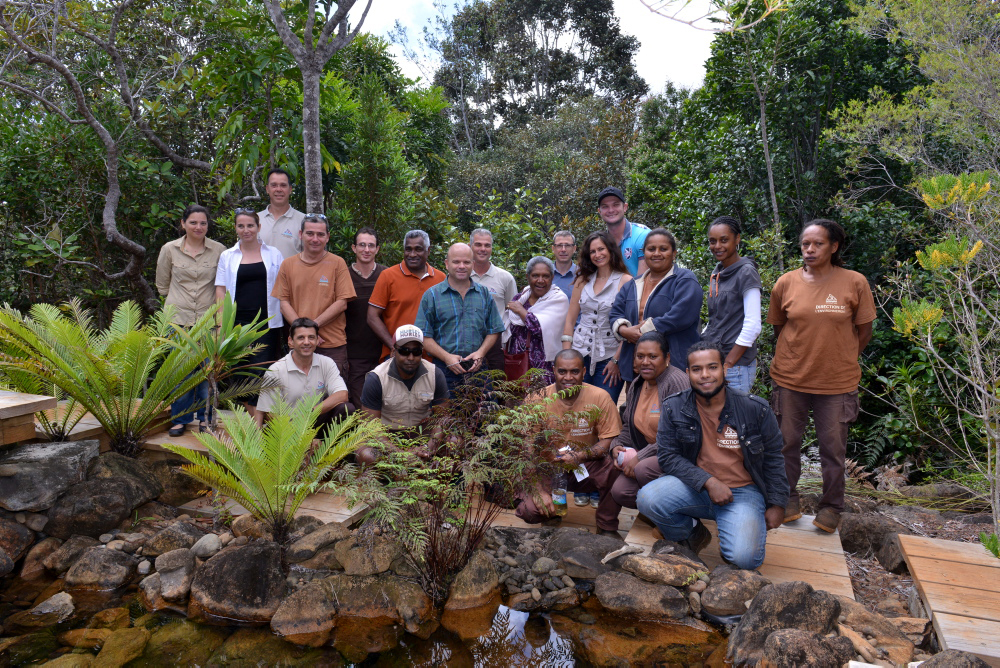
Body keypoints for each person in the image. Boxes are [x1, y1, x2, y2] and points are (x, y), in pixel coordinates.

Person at [636, 342, 788, 570]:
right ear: (688, 374)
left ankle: (738, 524)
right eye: (697, 369)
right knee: (648, 498)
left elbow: (774, 458)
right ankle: (692, 534)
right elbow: (668, 456)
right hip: (695, 487)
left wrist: (778, 504)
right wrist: (708, 481)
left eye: (712, 367)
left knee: (745, 559)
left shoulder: (755, 409)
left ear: (724, 369)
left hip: (743, 492)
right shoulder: (674, 407)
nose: (705, 375)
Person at [767, 219, 876, 533]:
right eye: (805, 244)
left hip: (836, 383)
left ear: (834, 246)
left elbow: (864, 330)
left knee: (832, 448)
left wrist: (840, 357)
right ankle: (786, 498)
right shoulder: (786, 283)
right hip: (790, 379)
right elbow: (780, 328)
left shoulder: (854, 282)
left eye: (817, 244)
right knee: (786, 444)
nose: (810, 249)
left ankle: (831, 508)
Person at [513, 349, 624, 537]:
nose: (568, 377)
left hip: (583, 464)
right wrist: (539, 490)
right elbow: (526, 449)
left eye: (575, 371)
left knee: (616, 466)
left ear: (584, 371)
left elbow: (608, 440)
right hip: (546, 467)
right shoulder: (536, 399)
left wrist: (580, 456)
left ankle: (607, 525)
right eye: (562, 371)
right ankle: (550, 514)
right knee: (529, 510)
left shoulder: (600, 397)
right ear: (554, 370)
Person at [156, 204, 226, 437]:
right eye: (193, 222)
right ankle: (179, 419)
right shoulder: (169, 249)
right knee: (180, 374)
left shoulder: (219, 251)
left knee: (208, 373)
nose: (198, 227)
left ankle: (205, 418)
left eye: (203, 223)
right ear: (183, 223)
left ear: (208, 225)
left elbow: (222, 287)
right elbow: (162, 285)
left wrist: (218, 323)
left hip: (207, 322)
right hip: (178, 321)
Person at [608, 332, 689, 512]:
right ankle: (654, 511)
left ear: (666, 357)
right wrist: (617, 445)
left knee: (643, 468)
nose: (645, 362)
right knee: (621, 491)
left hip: (680, 454)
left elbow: (679, 434)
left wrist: (640, 456)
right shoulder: (638, 384)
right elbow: (629, 425)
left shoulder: (676, 382)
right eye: (640, 356)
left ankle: (682, 520)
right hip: (652, 453)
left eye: (653, 356)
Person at [214, 209, 285, 410]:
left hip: (267, 324)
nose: (246, 230)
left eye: (250, 225)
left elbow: (283, 287)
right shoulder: (227, 256)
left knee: (262, 372)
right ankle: (250, 422)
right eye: (241, 226)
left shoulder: (274, 254)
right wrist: (221, 325)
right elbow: (220, 290)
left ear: (258, 227)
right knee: (240, 373)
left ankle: (258, 422)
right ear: (235, 228)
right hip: (236, 324)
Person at [271, 213, 356, 382]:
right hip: (298, 345)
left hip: (331, 344)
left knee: (335, 398)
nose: (315, 239)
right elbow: (284, 303)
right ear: (301, 235)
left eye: (320, 234)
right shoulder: (288, 265)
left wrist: (312, 329)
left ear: (327, 237)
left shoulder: (337, 263)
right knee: (297, 396)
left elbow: (342, 303)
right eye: (310, 233)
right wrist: (305, 334)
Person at [611, 228, 702, 377]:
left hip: (673, 366)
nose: (657, 253)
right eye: (651, 249)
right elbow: (615, 313)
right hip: (636, 367)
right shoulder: (632, 285)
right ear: (644, 252)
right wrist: (623, 330)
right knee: (637, 400)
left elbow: (679, 316)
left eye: (663, 249)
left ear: (674, 253)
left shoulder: (685, 280)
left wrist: (642, 331)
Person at [415, 243, 505, 394]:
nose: (461, 266)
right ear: (447, 264)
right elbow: (423, 336)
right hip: (443, 371)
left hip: (479, 370)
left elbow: (494, 329)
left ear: (473, 264)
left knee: (485, 416)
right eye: (456, 262)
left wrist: (481, 353)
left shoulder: (484, 294)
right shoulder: (432, 296)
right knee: (445, 417)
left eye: (466, 262)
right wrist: (447, 357)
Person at [561, 231, 629, 403]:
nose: (597, 255)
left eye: (601, 249)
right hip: (579, 353)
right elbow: (570, 319)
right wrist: (567, 354)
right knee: (576, 406)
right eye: (593, 251)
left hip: (609, 357)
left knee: (603, 407)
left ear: (611, 250)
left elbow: (630, 325)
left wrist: (617, 360)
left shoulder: (626, 281)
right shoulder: (582, 280)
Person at [701, 216, 763, 393]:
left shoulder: (747, 272)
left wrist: (728, 363)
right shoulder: (718, 272)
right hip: (715, 361)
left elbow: (753, 326)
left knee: (735, 418)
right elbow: (715, 319)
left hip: (736, 366)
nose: (717, 246)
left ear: (737, 239)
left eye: (724, 240)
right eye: (713, 241)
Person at [255, 318, 350, 427]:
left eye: (311, 337)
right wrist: (299, 435)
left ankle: (333, 443)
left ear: (317, 340)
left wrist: (309, 414)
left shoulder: (326, 363)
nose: (306, 342)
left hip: (314, 421)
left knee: (346, 409)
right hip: (285, 427)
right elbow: (270, 414)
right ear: (290, 341)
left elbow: (342, 394)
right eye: (301, 338)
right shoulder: (275, 371)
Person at [368, 230, 446, 359]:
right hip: (396, 356)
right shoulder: (388, 276)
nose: (412, 254)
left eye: (418, 249)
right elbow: (372, 317)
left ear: (428, 250)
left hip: (432, 358)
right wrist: (393, 346)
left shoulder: (440, 278)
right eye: (408, 249)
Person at [504, 256, 569, 384]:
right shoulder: (520, 298)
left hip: (544, 368)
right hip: (517, 364)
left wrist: (521, 311)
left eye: (545, 276)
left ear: (552, 277)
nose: (540, 280)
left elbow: (538, 328)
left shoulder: (558, 299)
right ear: (528, 277)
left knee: (544, 402)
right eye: (535, 276)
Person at [344, 227, 386, 409]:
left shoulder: (387, 275)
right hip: (354, 354)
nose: (366, 250)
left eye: (371, 245)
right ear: (354, 248)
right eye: (362, 245)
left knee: (385, 403)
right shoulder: (343, 275)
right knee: (361, 405)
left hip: (383, 353)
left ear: (377, 249)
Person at [470, 228, 518, 374]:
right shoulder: (460, 275)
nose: (483, 249)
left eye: (487, 245)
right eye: (478, 245)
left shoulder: (505, 277)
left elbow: (513, 312)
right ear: (470, 246)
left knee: (496, 390)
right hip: (467, 342)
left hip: (497, 347)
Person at [597, 186, 649, 277]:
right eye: (605, 207)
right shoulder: (601, 243)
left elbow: (642, 283)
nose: (611, 210)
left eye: (616, 205)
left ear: (625, 207)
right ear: (599, 211)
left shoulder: (643, 235)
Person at [257, 168, 305, 259]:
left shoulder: (304, 220)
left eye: (283, 185)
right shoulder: (255, 220)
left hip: (293, 273)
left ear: (290, 189)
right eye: (274, 185)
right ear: (267, 189)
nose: (278, 189)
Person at [550, 230, 579, 299]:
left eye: (567, 245)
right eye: (559, 245)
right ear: (553, 248)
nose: (563, 249)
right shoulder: (545, 275)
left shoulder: (583, 275)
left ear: (574, 249)